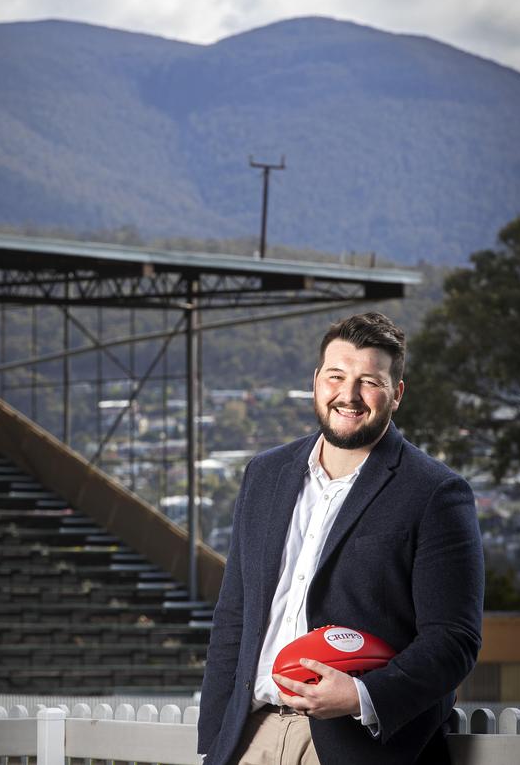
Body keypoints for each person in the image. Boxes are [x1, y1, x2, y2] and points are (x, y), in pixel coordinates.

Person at [197, 312, 484, 765]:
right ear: (316, 381)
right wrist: (213, 742)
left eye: (369, 381)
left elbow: (453, 640)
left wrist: (360, 694)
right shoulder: (264, 475)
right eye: (336, 376)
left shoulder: (435, 493)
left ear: (397, 394)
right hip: (251, 737)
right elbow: (234, 615)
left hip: (357, 746)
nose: (348, 395)